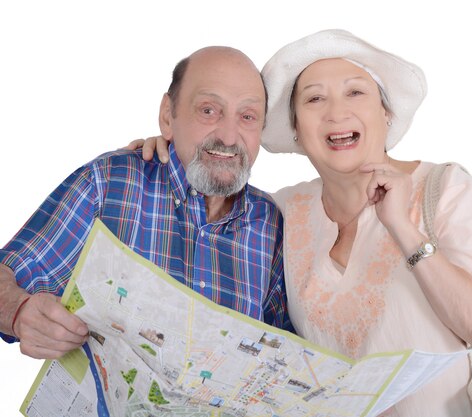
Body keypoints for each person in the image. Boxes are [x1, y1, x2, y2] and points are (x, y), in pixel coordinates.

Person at [131, 29, 472, 416]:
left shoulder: (444, 189)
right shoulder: (281, 212)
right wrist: (168, 144)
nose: (336, 112)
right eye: (314, 98)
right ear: (296, 129)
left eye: (355, 92)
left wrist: (403, 228)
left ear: (386, 112)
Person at [0, 46, 293, 361]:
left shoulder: (272, 225)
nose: (229, 136)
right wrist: (18, 311)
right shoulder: (111, 182)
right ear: (168, 115)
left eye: (247, 116)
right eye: (209, 110)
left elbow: (289, 356)